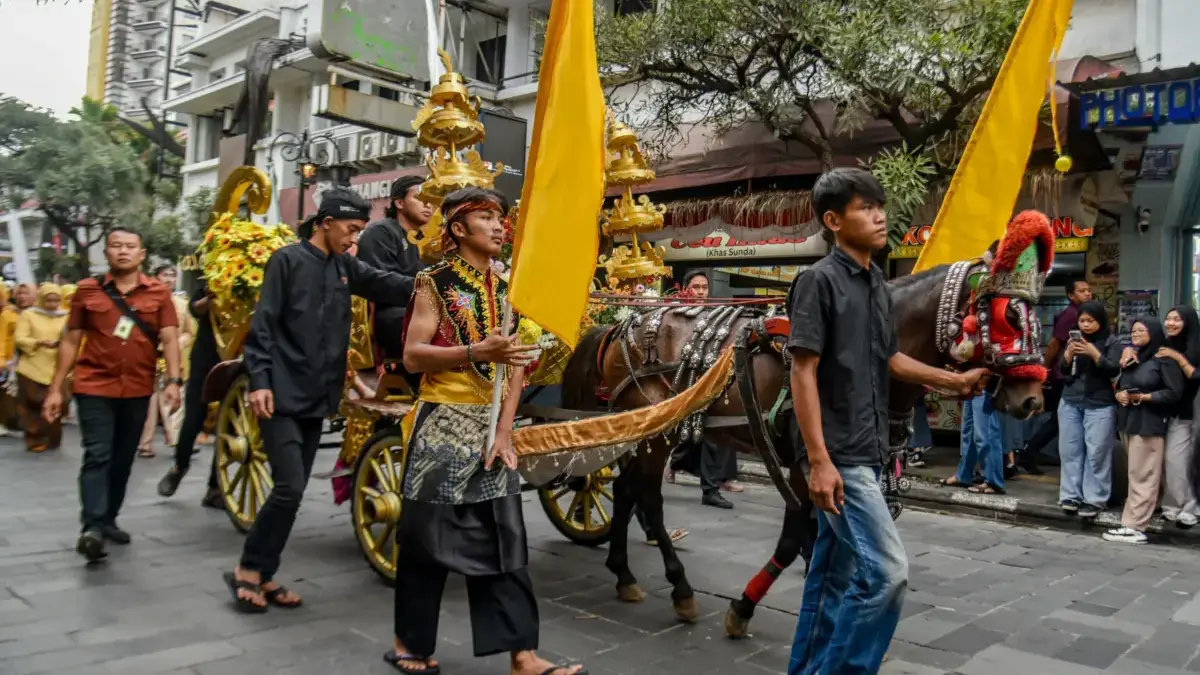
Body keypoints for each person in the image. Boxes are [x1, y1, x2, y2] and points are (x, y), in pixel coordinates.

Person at [785, 168, 987, 675]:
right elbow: (802, 372)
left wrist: (954, 381)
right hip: (839, 454)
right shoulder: (817, 282)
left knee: (832, 577)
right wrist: (819, 461)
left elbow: (889, 358)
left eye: (880, 207)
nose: (879, 217)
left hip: (870, 446)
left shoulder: (876, 282)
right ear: (834, 221)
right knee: (887, 574)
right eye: (865, 208)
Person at [388, 186, 584, 675]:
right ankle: (410, 643)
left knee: (506, 537)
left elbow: (516, 366)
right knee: (426, 538)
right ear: (458, 229)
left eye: (501, 218)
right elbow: (412, 356)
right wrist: (476, 352)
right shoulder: (433, 282)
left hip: (491, 430)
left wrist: (504, 430)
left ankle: (523, 656)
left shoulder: (508, 288)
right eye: (486, 218)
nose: (499, 226)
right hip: (442, 423)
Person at [222, 186, 416, 612]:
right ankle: (247, 570)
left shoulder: (344, 266)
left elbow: (386, 283)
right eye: (351, 229)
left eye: (360, 230)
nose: (355, 238)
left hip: (317, 396)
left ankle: (264, 573)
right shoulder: (287, 261)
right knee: (289, 488)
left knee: (290, 492)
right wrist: (259, 383)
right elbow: (263, 328)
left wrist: (435, 286)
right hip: (280, 393)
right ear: (326, 223)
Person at [43, 228, 183, 562]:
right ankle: (91, 527)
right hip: (93, 385)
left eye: (130, 246)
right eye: (116, 246)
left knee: (122, 459)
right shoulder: (87, 290)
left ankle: (108, 519)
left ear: (141, 254)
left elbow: (169, 338)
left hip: (137, 387)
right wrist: (55, 388)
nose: (123, 251)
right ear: (106, 252)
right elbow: (71, 340)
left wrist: (174, 381)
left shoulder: (159, 293)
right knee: (97, 454)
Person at [664, 269, 742, 508]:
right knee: (698, 433)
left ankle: (712, 483)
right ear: (686, 289)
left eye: (704, 288)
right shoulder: (677, 314)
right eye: (696, 287)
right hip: (684, 380)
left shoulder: (715, 313)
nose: (701, 292)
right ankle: (701, 480)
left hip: (709, 378)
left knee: (713, 431)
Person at [1104, 317, 1184, 545]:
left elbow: (1173, 393)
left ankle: (1134, 526)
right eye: (1133, 330)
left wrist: (1144, 397)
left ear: (1154, 332)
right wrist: (1120, 394)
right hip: (1129, 421)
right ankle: (1141, 515)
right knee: (1139, 473)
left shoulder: (1163, 360)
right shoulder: (1133, 357)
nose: (1135, 333)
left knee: (1142, 475)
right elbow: (1121, 385)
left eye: (1141, 330)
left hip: (1149, 424)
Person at [357, 175, 432, 389]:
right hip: (392, 315)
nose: (428, 205)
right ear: (399, 203)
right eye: (420, 198)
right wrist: (426, 288)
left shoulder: (426, 240)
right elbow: (376, 281)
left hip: (421, 309)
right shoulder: (380, 232)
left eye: (431, 200)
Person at [156, 280, 225, 509]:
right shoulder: (217, 276)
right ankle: (180, 465)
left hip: (240, 357)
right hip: (206, 357)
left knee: (229, 426)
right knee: (194, 417)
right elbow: (195, 308)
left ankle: (216, 486)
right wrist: (212, 299)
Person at [1018, 279, 1092, 474]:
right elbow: (1053, 344)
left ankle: (1029, 452)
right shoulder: (1070, 315)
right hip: (1063, 375)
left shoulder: (1082, 314)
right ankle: (1028, 452)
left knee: (1058, 421)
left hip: (1073, 374)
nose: (1087, 293)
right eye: (1082, 291)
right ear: (1071, 295)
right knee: (1058, 421)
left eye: (1089, 290)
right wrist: (1045, 371)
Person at [1057, 300, 1121, 519]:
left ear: (1100, 320)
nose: (1085, 325)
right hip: (1071, 400)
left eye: (1090, 321)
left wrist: (1094, 353)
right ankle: (1070, 495)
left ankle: (1094, 498)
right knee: (1070, 450)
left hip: (1100, 403)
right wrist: (1068, 355)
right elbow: (1062, 369)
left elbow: (1113, 369)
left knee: (1097, 453)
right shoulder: (1074, 340)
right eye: (1082, 321)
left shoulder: (1112, 341)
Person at [138, 265, 194, 458]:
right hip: (148, 357)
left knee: (175, 398)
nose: (169, 279)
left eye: (172, 275)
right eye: (165, 275)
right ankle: (145, 443)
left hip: (173, 359)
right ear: (155, 278)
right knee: (149, 403)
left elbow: (189, 332)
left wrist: (178, 343)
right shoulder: (145, 301)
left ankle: (176, 440)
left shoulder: (182, 304)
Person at [1154, 305, 1200, 527]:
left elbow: (1195, 376)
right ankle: (1172, 505)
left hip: (1193, 411)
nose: (1170, 323)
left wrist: (1177, 357)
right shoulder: (1165, 344)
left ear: (1188, 322)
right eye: (1169, 318)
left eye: (1177, 319)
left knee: (1186, 462)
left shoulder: (1196, 346)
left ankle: (1192, 507)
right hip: (1170, 412)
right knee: (1171, 461)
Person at [13, 284, 68, 453]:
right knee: (31, 405)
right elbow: (19, 338)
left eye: (56, 300)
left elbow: (72, 340)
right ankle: (35, 439)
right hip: (31, 367)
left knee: (58, 404)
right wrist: (38, 342)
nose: (52, 304)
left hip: (57, 367)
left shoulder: (66, 316)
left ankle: (52, 438)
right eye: (48, 300)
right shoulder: (29, 315)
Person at [941, 392, 1006, 494]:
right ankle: (963, 475)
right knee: (969, 432)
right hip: (972, 387)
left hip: (985, 387)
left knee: (986, 433)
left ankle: (994, 482)